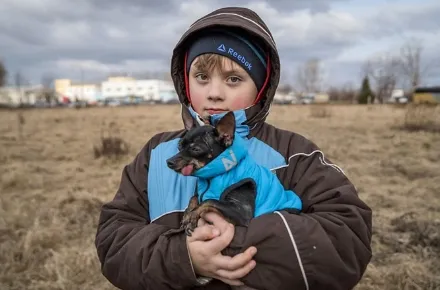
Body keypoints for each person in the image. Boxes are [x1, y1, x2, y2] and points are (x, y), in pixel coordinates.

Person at [95, 6, 372, 290]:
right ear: (185, 81)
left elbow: (347, 241)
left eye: (233, 79)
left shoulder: (294, 154)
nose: (214, 92)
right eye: (202, 77)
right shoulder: (156, 154)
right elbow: (113, 241)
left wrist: (231, 242)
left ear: (261, 88)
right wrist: (184, 257)